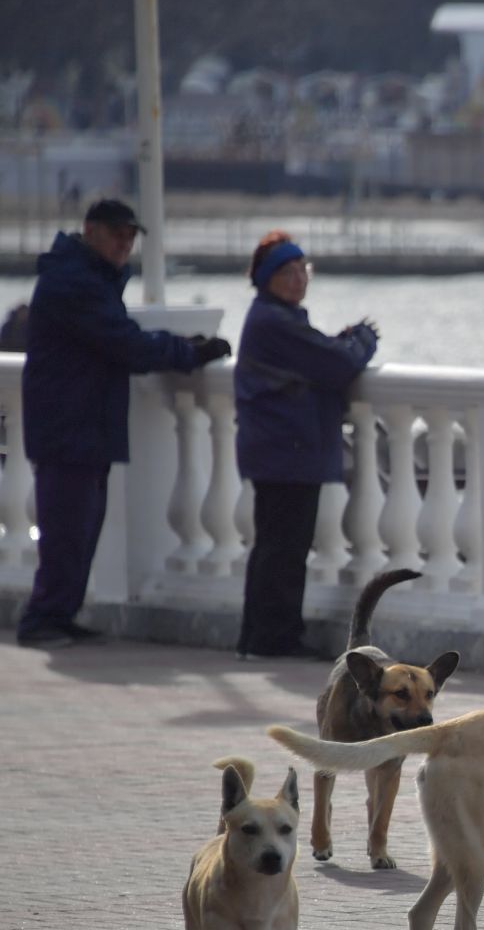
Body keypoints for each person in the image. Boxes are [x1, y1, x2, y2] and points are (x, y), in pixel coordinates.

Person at [15, 199, 230, 650]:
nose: (124, 244)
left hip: (82, 426)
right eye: (117, 234)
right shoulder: (75, 282)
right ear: (90, 230)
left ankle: (59, 614)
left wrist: (179, 348)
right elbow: (124, 343)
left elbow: (119, 338)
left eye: (130, 237)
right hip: (68, 428)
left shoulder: (85, 278)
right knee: (67, 530)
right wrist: (188, 353)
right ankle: (43, 619)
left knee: (81, 528)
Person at [233, 231, 378, 660]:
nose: (298, 279)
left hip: (280, 450)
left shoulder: (275, 319)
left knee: (277, 546)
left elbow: (319, 356)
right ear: (265, 279)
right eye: (287, 272)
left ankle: (260, 637)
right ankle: (273, 638)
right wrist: (364, 339)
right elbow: (338, 363)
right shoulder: (274, 322)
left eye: (302, 270)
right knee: (283, 548)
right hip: (286, 450)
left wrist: (343, 342)